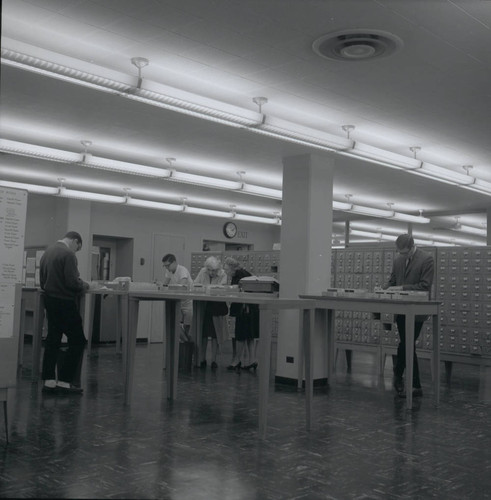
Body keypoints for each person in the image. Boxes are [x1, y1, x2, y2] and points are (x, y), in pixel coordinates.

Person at [383, 233, 434, 398]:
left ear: (412, 247)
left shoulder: (427, 259)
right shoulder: (398, 260)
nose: (401, 255)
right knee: (406, 343)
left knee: (407, 342)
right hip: (401, 309)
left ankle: (403, 377)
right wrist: (384, 289)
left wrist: (401, 288)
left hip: (417, 309)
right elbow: (393, 280)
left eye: (404, 252)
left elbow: (424, 286)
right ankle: (411, 383)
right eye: (399, 252)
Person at [40, 231, 90, 395]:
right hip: (65, 302)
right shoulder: (68, 254)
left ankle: (48, 381)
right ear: (75, 241)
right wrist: (85, 285)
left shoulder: (48, 251)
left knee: (53, 339)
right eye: (78, 248)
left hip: (50, 300)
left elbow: (42, 280)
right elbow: (72, 282)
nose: (76, 251)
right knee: (78, 340)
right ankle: (64, 381)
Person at [223, 257, 259, 372]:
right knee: (249, 336)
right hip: (251, 308)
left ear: (232, 268)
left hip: (244, 309)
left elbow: (236, 291)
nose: (226, 272)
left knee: (240, 335)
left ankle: (236, 361)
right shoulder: (245, 272)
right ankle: (252, 360)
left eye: (227, 269)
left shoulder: (237, 275)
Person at [194, 256, 228, 370]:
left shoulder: (223, 274)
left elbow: (221, 289)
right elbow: (196, 284)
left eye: (214, 270)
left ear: (218, 269)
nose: (212, 273)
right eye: (209, 270)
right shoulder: (203, 271)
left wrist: (208, 288)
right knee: (202, 333)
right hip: (203, 306)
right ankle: (201, 358)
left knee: (215, 335)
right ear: (206, 268)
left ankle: (214, 360)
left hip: (216, 306)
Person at [161, 254, 193, 342]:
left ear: (174, 262)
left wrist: (168, 288)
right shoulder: (169, 271)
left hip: (187, 302)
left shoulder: (182, 270)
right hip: (178, 301)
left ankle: (188, 346)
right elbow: (165, 284)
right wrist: (161, 286)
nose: (167, 268)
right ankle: (186, 344)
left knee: (188, 326)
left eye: (168, 265)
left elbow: (181, 286)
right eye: (165, 266)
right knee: (175, 324)